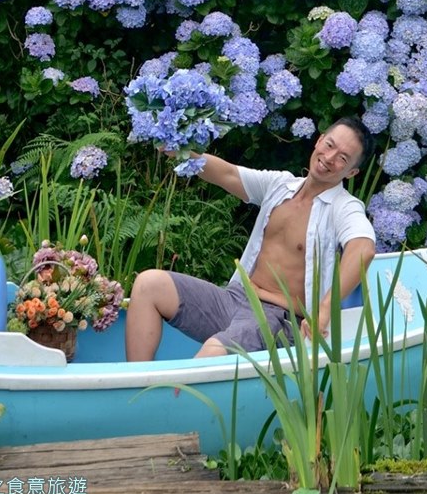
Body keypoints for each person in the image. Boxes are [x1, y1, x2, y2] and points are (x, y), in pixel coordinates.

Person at [125, 117, 376, 361]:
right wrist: (181, 151)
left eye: (342, 158)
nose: (329, 158)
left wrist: (324, 309)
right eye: (329, 145)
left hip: (277, 319)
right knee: (149, 284)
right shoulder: (280, 185)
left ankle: (166, 400)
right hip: (234, 299)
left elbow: (363, 249)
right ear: (319, 141)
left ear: (352, 172)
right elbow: (227, 174)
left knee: (213, 351)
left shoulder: (345, 207)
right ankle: (137, 388)